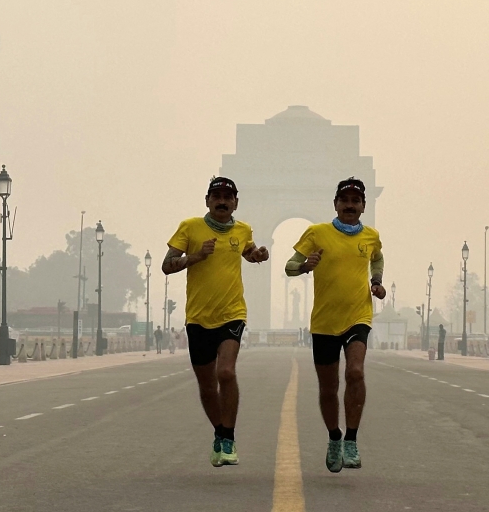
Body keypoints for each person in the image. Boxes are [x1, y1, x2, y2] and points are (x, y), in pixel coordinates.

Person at [161, 176, 269, 467]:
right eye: (217, 196)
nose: (222, 201)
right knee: (207, 386)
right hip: (198, 317)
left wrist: (258, 255)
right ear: (207, 200)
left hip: (232, 313)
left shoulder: (243, 229)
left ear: (235, 203)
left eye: (228, 197)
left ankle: (229, 437)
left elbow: (249, 252)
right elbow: (166, 266)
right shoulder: (190, 227)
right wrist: (196, 256)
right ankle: (220, 433)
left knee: (226, 373)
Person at [286, 177, 385, 473]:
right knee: (328, 387)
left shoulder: (371, 236)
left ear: (364, 206)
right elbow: (290, 267)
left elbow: (377, 259)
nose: (350, 205)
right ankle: (334, 437)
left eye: (356, 201)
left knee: (355, 372)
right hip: (324, 322)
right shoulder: (316, 233)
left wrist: (377, 282)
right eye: (345, 201)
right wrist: (306, 266)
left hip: (358, 316)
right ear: (335, 205)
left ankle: (352, 440)